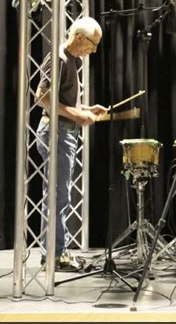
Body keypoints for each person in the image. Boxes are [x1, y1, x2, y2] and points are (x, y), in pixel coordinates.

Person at [35, 16, 107, 272]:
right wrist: (78, 115)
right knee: (56, 197)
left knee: (60, 196)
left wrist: (86, 108)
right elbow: (42, 97)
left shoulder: (71, 60)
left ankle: (57, 254)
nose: (94, 50)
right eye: (92, 43)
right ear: (79, 38)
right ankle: (53, 257)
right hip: (56, 132)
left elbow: (61, 100)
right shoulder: (59, 58)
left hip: (64, 131)